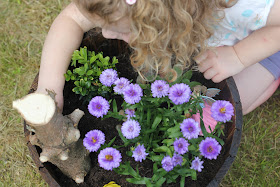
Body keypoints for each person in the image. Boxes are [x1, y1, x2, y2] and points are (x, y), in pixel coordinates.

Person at [36, 0, 280, 115]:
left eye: (122, 31)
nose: (106, 34)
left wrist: (238, 56)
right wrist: (49, 88)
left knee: (222, 110)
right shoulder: (118, 4)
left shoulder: (245, 5)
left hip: (262, 37)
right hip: (204, 31)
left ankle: (270, 74)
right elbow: (71, 20)